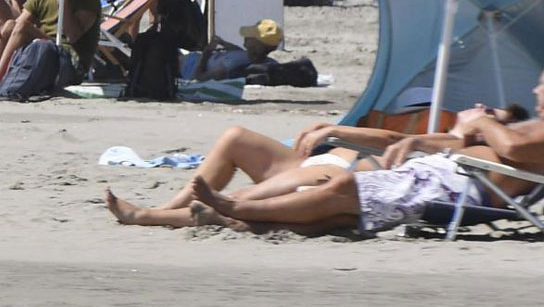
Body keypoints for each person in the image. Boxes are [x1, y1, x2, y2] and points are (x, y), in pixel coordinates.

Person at [183, 77, 544, 234]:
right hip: (431, 175)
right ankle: (212, 216)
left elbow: (511, 147)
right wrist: (420, 143)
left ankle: (233, 209)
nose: (536, 88)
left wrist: (483, 121)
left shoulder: (511, 138)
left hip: (444, 185)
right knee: (335, 210)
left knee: (339, 191)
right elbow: (406, 140)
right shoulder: (490, 138)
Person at [104, 100, 531, 229]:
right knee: (235, 137)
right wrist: (333, 129)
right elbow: (401, 139)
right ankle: (174, 210)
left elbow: (393, 143)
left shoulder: (492, 141)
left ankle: (169, 215)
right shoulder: (461, 140)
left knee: (330, 184)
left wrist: (482, 123)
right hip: (341, 163)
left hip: (356, 172)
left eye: (489, 107)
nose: (477, 106)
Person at [183, 19, 283, 82]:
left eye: (249, 37)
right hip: (197, 58)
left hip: (190, 65)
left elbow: (199, 77)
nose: (245, 38)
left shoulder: (233, 67)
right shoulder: (269, 62)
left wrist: (206, 53)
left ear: (256, 44)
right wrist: (224, 43)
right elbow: (240, 54)